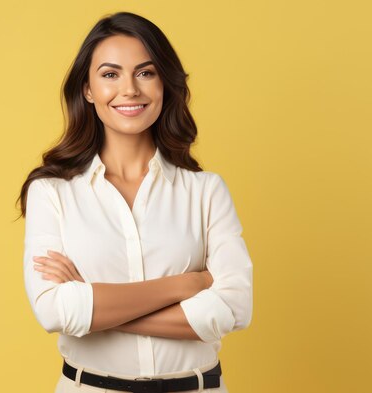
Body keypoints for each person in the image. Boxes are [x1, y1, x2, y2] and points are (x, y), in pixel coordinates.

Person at [16, 11, 253, 393]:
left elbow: (233, 310)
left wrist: (95, 308)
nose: (129, 89)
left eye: (145, 72)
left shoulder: (206, 191)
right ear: (88, 90)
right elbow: (54, 310)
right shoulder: (52, 191)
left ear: (164, 84)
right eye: (110, 74)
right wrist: (186, 284)